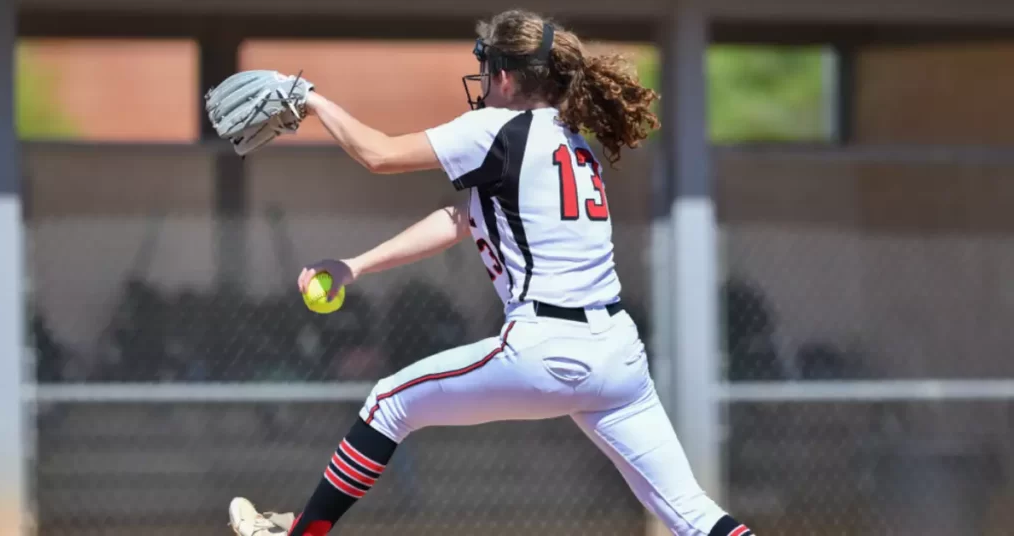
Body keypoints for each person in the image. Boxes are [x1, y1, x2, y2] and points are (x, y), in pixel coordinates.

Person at [228, 9, 754, 536]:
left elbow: (378, 154)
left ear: (504, 76)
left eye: (487, 69)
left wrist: (312, 99)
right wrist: (355, 266)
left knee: (388, 403)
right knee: (692, 511)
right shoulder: (573, 140)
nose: (483, 82)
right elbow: (462, 218)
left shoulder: (497, 128)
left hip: (548, 347)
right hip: (618, 356)